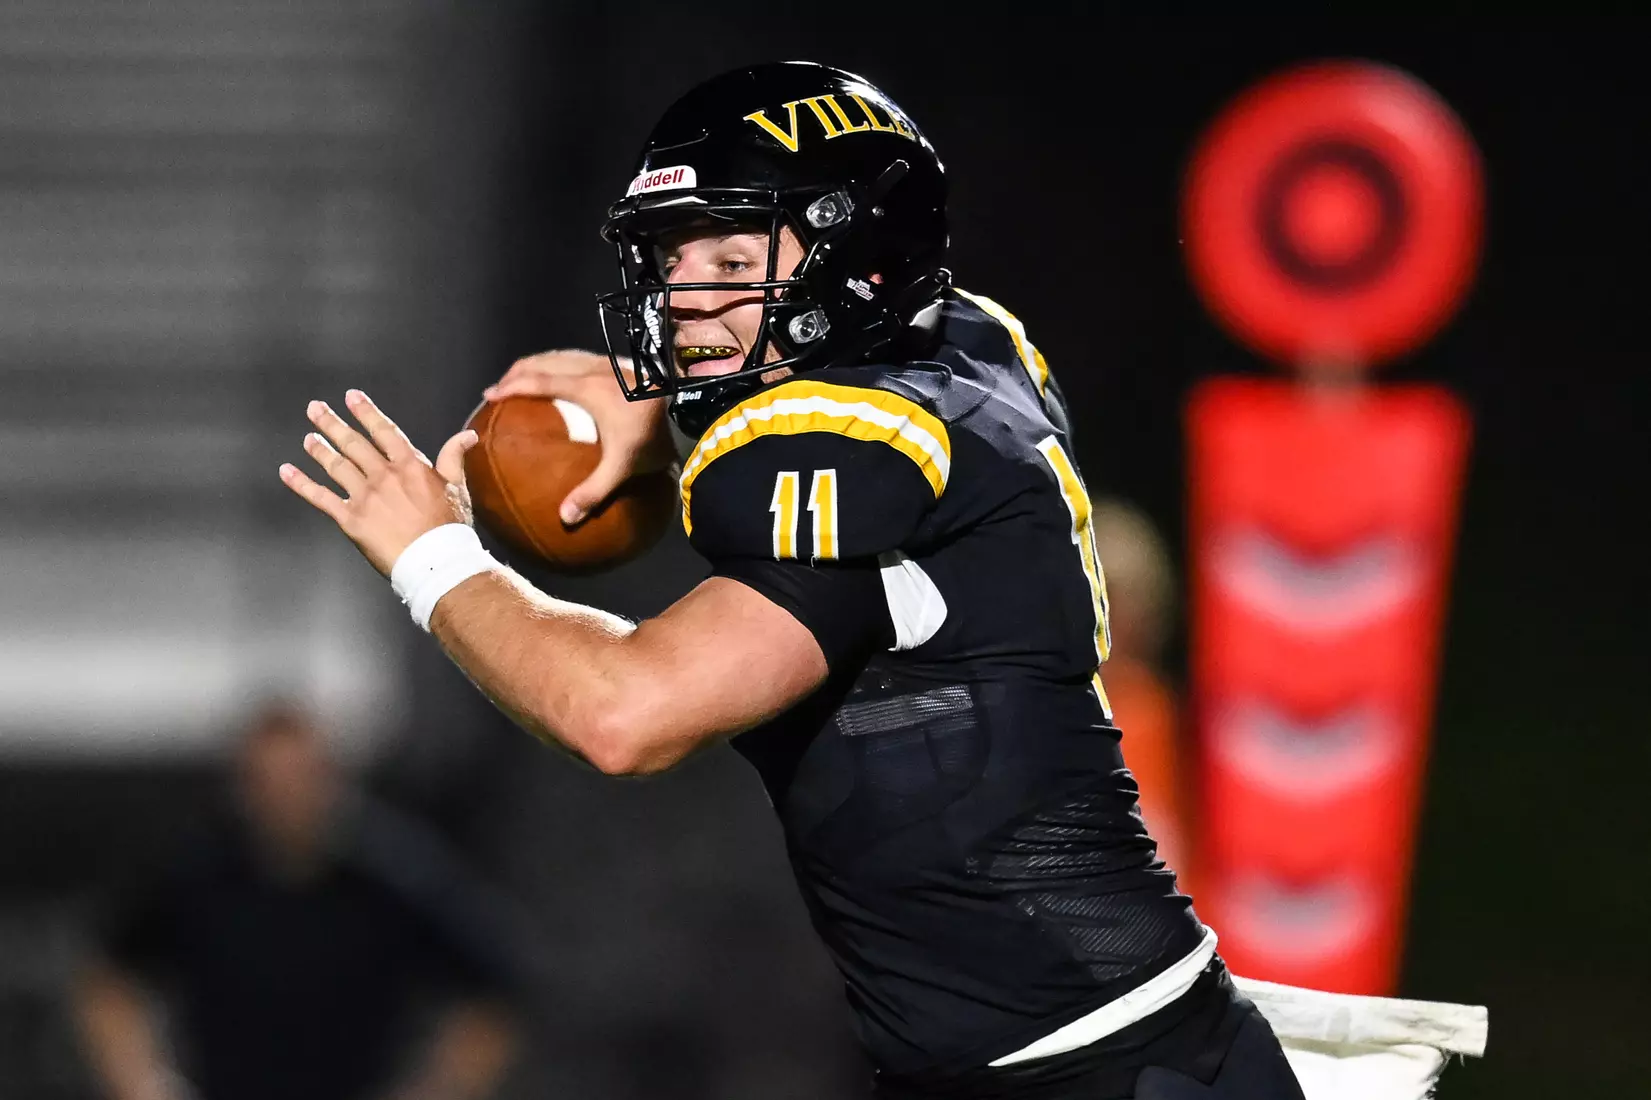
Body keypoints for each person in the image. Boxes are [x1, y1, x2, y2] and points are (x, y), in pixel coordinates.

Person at [278, 62, 1303, 1099]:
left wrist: (432, 556)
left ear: (858, 260)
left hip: (1092, 1071)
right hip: (1107, 1046)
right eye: (675, 258)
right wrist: (679, 413)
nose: (686, 300)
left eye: (733, 256)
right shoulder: (975, 349)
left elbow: (623, 713)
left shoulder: (844, 448)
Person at [72, 704, 524, 1100]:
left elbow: (495, 993)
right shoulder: (196, 875)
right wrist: (146, 1087)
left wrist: (433, 1092)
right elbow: (109, 980)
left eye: (301, 778)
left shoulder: (393, 879)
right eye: (268, 781)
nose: (287, 799)